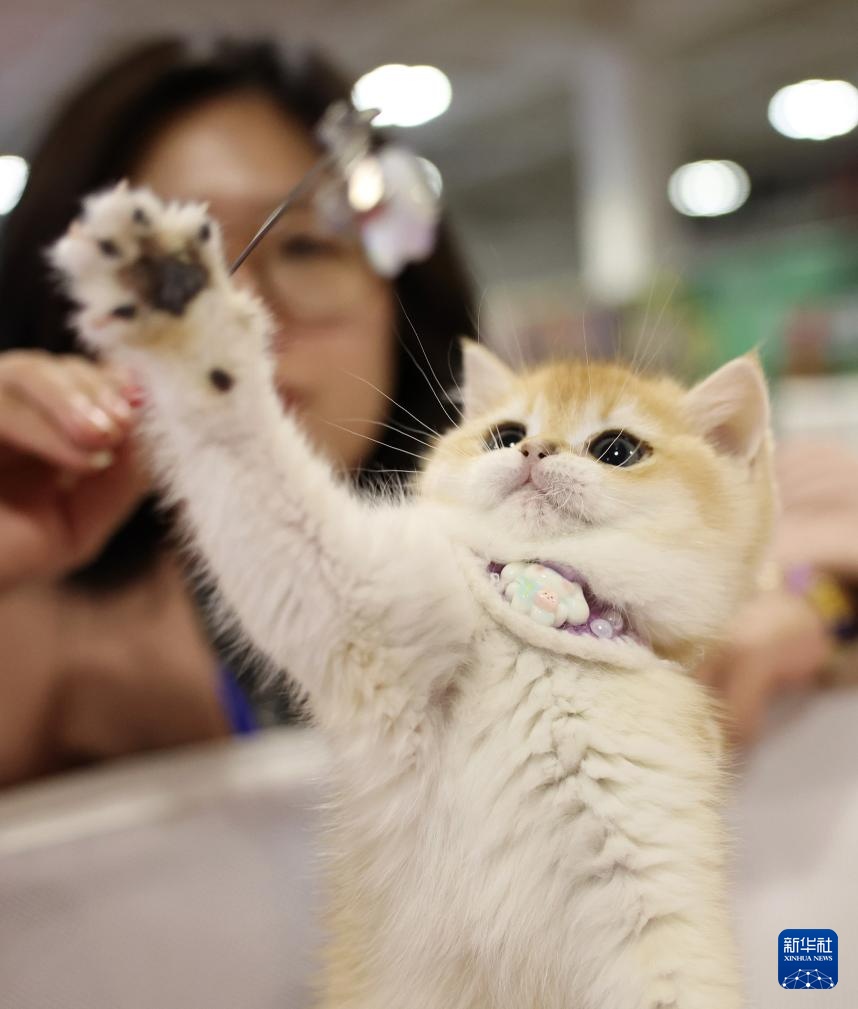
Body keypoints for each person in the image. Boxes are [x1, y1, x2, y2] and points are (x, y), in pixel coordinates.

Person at [0, 37, 475, 787]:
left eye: (307, 250)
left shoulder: (504, 572)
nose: (241, 311)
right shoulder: (23, 608)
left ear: (406, 305)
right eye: (166, 269)